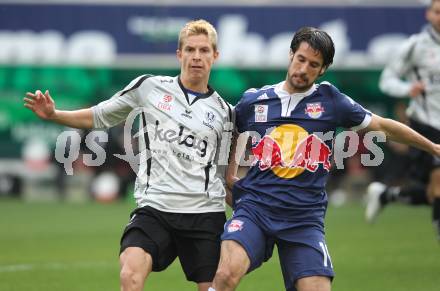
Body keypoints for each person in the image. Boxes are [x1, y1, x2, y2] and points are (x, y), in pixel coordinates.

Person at [208, 27, 440, 291]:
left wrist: (433, 146)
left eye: (314, 64)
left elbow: (384, 127)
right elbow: (232, 131)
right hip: (255, 210)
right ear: (291, 55)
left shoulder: (331, 100)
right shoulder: (254, 100)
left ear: (323, 69)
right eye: (301, 59)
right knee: (226, 275)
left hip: (303, 218)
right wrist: (229, 173)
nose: (304, 68)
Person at [24, 19, 233, 291]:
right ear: (179, 54)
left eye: (204, 50)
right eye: (190, 49)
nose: (196, 56)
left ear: (215, 56)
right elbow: (100, 115)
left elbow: (223, 173)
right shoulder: (149, 87)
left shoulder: (226, 112)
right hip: (156, 207)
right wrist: (54, 115)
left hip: (205, 213)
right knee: (130, 275)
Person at [365, 0, 440, 241]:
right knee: (439, 186)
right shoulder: (414, 46)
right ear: (428, 14)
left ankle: (387, 195)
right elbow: (387, 80)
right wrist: (408, 89)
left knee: (433, 195)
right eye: (438, 12)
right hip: (427, 124)